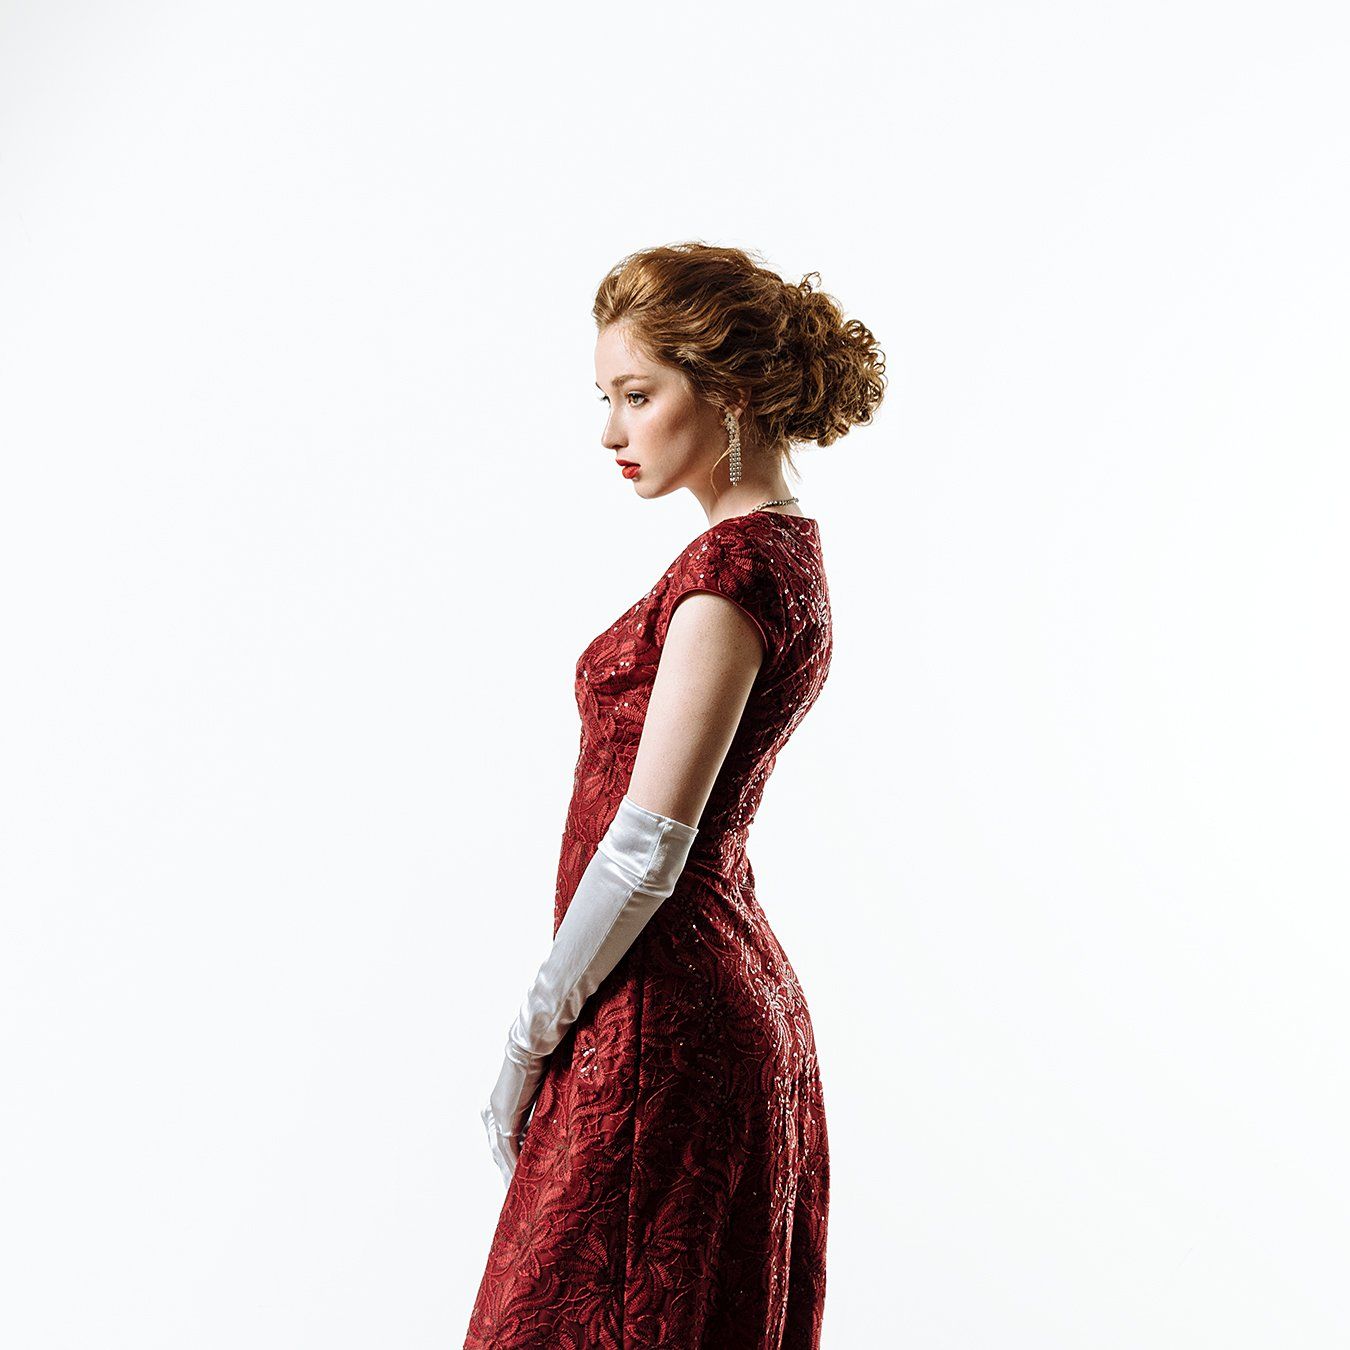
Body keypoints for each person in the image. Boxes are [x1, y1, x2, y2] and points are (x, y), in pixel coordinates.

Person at [465, 241, 885, 1349]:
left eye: (637, 396)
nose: (612, 432)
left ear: (729, 391)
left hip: (664, 1013)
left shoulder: (728, 581)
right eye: (605, 399)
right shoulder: (781, 555)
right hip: (703, 994)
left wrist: (528, 1039)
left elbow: (648, 845)